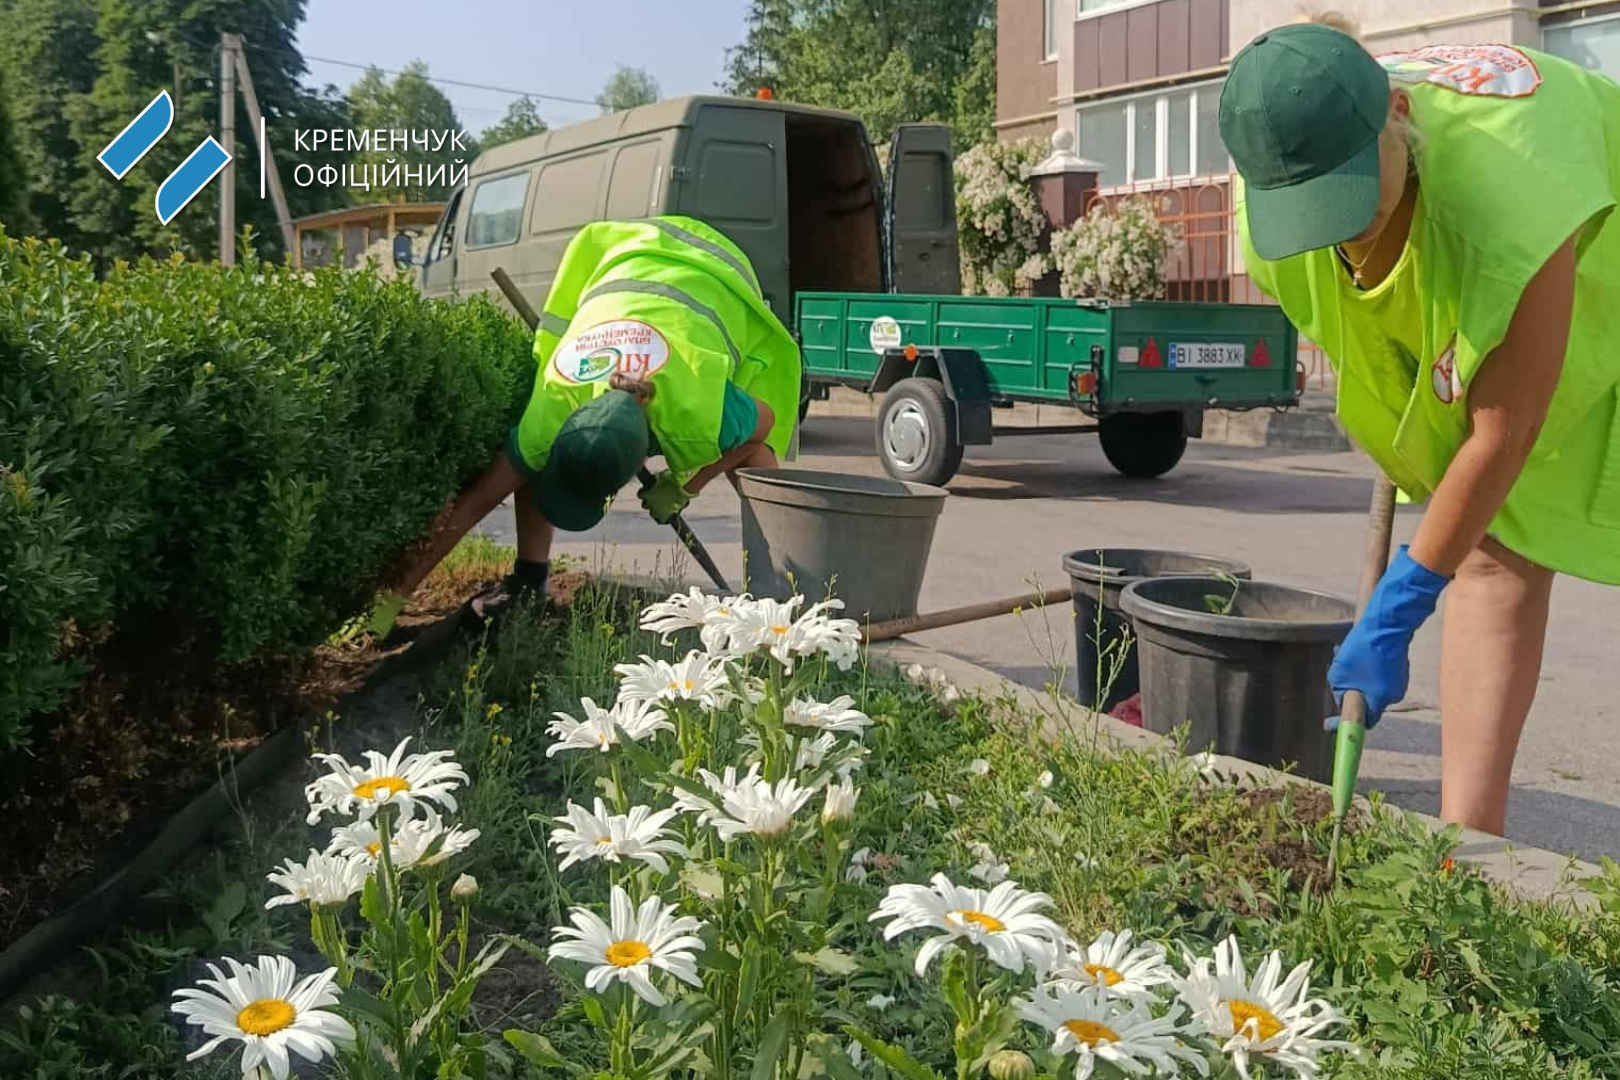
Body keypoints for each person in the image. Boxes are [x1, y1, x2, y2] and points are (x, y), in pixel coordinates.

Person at [1222, 14, 1620, 835]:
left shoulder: (1515, 196)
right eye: (1309, 207)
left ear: (1399, 114)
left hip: (1586, 231)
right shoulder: (1274, 184)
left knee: (1489, 526)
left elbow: (1503, 430)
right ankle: (1463, 854)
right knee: (1490, 549)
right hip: (1471, 219)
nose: (1337, 227)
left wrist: (1400, 601)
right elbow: (1381, 349)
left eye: (1347, 193)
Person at [379, 215, 799, 625]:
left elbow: (762, 425)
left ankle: (788, 598)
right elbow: (475, 502)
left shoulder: (699, 405)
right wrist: (389, 603)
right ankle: (529, 581)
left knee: (753, 454)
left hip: (718, 271)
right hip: (627, 251)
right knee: (531, 461)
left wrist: (686, 485)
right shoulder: (554, 404)